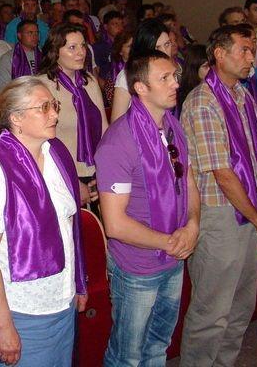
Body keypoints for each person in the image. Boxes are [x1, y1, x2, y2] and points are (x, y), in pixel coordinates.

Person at [179, 24, 257, 366]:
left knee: (241, 305)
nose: (251, 58)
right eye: (244, 50)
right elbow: (222, 173)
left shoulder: (244, 96)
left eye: (252, 50)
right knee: (212, 311)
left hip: (249, 210)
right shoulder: (203, 102)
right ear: (220, 54)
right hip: (219, 215)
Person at [0, 77, 87, 366]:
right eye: (44, 107)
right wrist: (4, 326)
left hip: (62, 301)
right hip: (21, 311)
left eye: (54, 105)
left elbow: (70, 229)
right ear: (16, 118)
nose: (55, 114)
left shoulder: (56, 153)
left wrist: (77, 283)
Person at [97, 51, 200, 366]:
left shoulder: (172, 125)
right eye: (164, 78)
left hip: (173, 256)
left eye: (174, 76)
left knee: (158, 347)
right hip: (137, 266)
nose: (175, 84)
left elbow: (188, 181)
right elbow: (115, 224)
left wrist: (193, 225)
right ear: (140, 88)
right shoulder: (118, 141)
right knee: (126, 356)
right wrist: (170, 241)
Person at [36, 22, 107, 206]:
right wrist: (72, 180)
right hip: (61, 173)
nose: (81, 52)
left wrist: (105, 172)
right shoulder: (42, 86)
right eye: (72, 47)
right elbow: (41, 143)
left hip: (95, 170)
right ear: (55, 51)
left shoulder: (89, 81)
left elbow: (104, 130)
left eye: (83, 46)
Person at [111, 18, 173, 122]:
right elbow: (116, 123)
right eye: (157, 47)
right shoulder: (127, 75)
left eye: (167, 44)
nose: (164, 52)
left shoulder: (172, 71)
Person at [0, 19, 42, 91]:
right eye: (30, 33)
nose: (35, 36)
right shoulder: (8, 58)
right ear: (19, 35)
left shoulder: (43, 55)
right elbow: (3, 90)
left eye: (37, 33)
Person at [176, 43, 210, 115]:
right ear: (194, 69)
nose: (211, 70)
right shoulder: (192, 98)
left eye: (212, 65)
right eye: (206, 66)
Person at [93, 10, 125, 80]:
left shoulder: (126, 45)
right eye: (115, 24)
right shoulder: (99, 47)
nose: (119, 27)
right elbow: (96, 71)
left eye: (121, 23)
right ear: (106, 26)